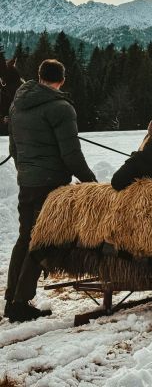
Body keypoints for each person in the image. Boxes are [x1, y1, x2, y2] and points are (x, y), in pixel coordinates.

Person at [4, 59, 96, 322]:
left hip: (27, 181)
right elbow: (71, 154)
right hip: (51, 184)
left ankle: (12, 298)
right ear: (62, 80)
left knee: (25, 238)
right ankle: (21, 302)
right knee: (42, 241)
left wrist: (26, 170)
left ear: (39, 76)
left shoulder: (18, 103)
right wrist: (89, 180)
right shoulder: (61, 108)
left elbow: (13, 149)